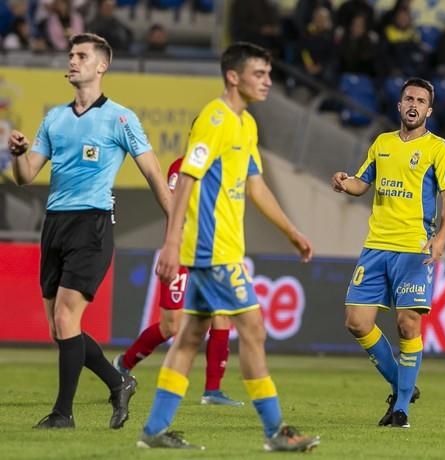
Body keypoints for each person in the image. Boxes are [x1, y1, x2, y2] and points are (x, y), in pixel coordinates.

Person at [137, 42, 320, 452]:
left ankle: (154, 428)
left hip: (225, 250)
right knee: (253, 328)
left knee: (188, 338)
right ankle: (275, 431)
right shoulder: (215, 119)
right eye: (260, 74)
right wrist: (170, 244)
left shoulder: (246, 124)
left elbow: (255, 184)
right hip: (210, 251)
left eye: (269, 75)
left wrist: (291, 230)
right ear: (233, 76)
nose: (268, 82)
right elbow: (186, 177)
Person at [7, 33, 171, 429]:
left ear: (102, 66)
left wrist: (176, 229)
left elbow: (152, 173)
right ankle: (119, 383)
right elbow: (27, 177)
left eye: (81, 55)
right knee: (61, 328)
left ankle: (63, 414)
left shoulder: (120, 118)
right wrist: (17, 156)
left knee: (66, 318)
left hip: (92, 224)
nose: (73, 60)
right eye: (71, 54)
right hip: (55, 225)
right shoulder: (54, 118)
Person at [331, 78, 445, 428]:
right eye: (409, 98)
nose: (414, 104)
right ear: (400, 106)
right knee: (356, 322)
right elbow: (362, 183)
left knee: (408, 323)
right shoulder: (382, 143)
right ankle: (403, 385)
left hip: (414, 247)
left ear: (429, 110)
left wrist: (442, 238)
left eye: (421, 100)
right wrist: (345, 182)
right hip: (376, 246)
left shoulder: (437, 148)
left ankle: (400, 408)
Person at [112, 157, 242, 407]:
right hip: (182, 252)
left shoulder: (223, 169)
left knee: (221, 315)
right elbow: (172, 206)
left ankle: (213, 390)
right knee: (171, 326)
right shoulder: (181, 166)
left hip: (213, 254)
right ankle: (124, 363)